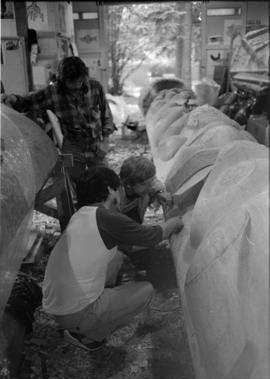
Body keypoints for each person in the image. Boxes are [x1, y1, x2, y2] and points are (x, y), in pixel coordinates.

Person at [42, 166, 183, 351]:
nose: (121, 193)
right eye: (119, 188)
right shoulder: (106, 218)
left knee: (115, 257)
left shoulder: (81, 215)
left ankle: (86, 322)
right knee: (146, 290)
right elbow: (156, 236)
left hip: (57, 307)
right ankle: (92, 337)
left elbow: (127, 245)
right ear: (110, 189)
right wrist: (177, 220)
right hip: (77, 313)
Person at [1, 56, 115, 181]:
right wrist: (12, 99)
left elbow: (106, 116)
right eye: (72, 82)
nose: (77, 85)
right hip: (73, 148)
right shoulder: (53, 92)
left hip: (96, 146)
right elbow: (27, 102)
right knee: (75, 187)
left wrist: (105, 142)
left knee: (105, 183)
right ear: (62, 79)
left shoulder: (95, 87)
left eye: (80, 80)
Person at [119, 155, 172, 224]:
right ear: (129, 185)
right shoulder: (118, 204)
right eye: (145, 184)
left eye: (152, 180)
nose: (151, 187)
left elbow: (155, 184)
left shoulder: (144, 186)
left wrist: (159, 193)